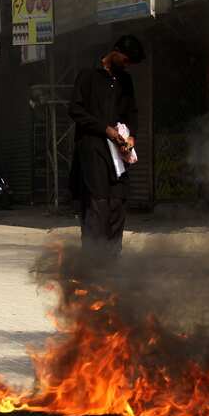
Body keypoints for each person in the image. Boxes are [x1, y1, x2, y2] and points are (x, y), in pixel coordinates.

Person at [68, 34, 143, 257]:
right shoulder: (88, 75)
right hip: (92, 150)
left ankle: (112, 263)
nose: (127, 65)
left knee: (117, 203)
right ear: (115, 52)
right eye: (126, 60)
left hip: (118, 155)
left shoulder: (125, 81)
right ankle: (92, 265)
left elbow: (132, 112)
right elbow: (75, 110)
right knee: (97, 205)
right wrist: (106, 130)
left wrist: (131, 138)